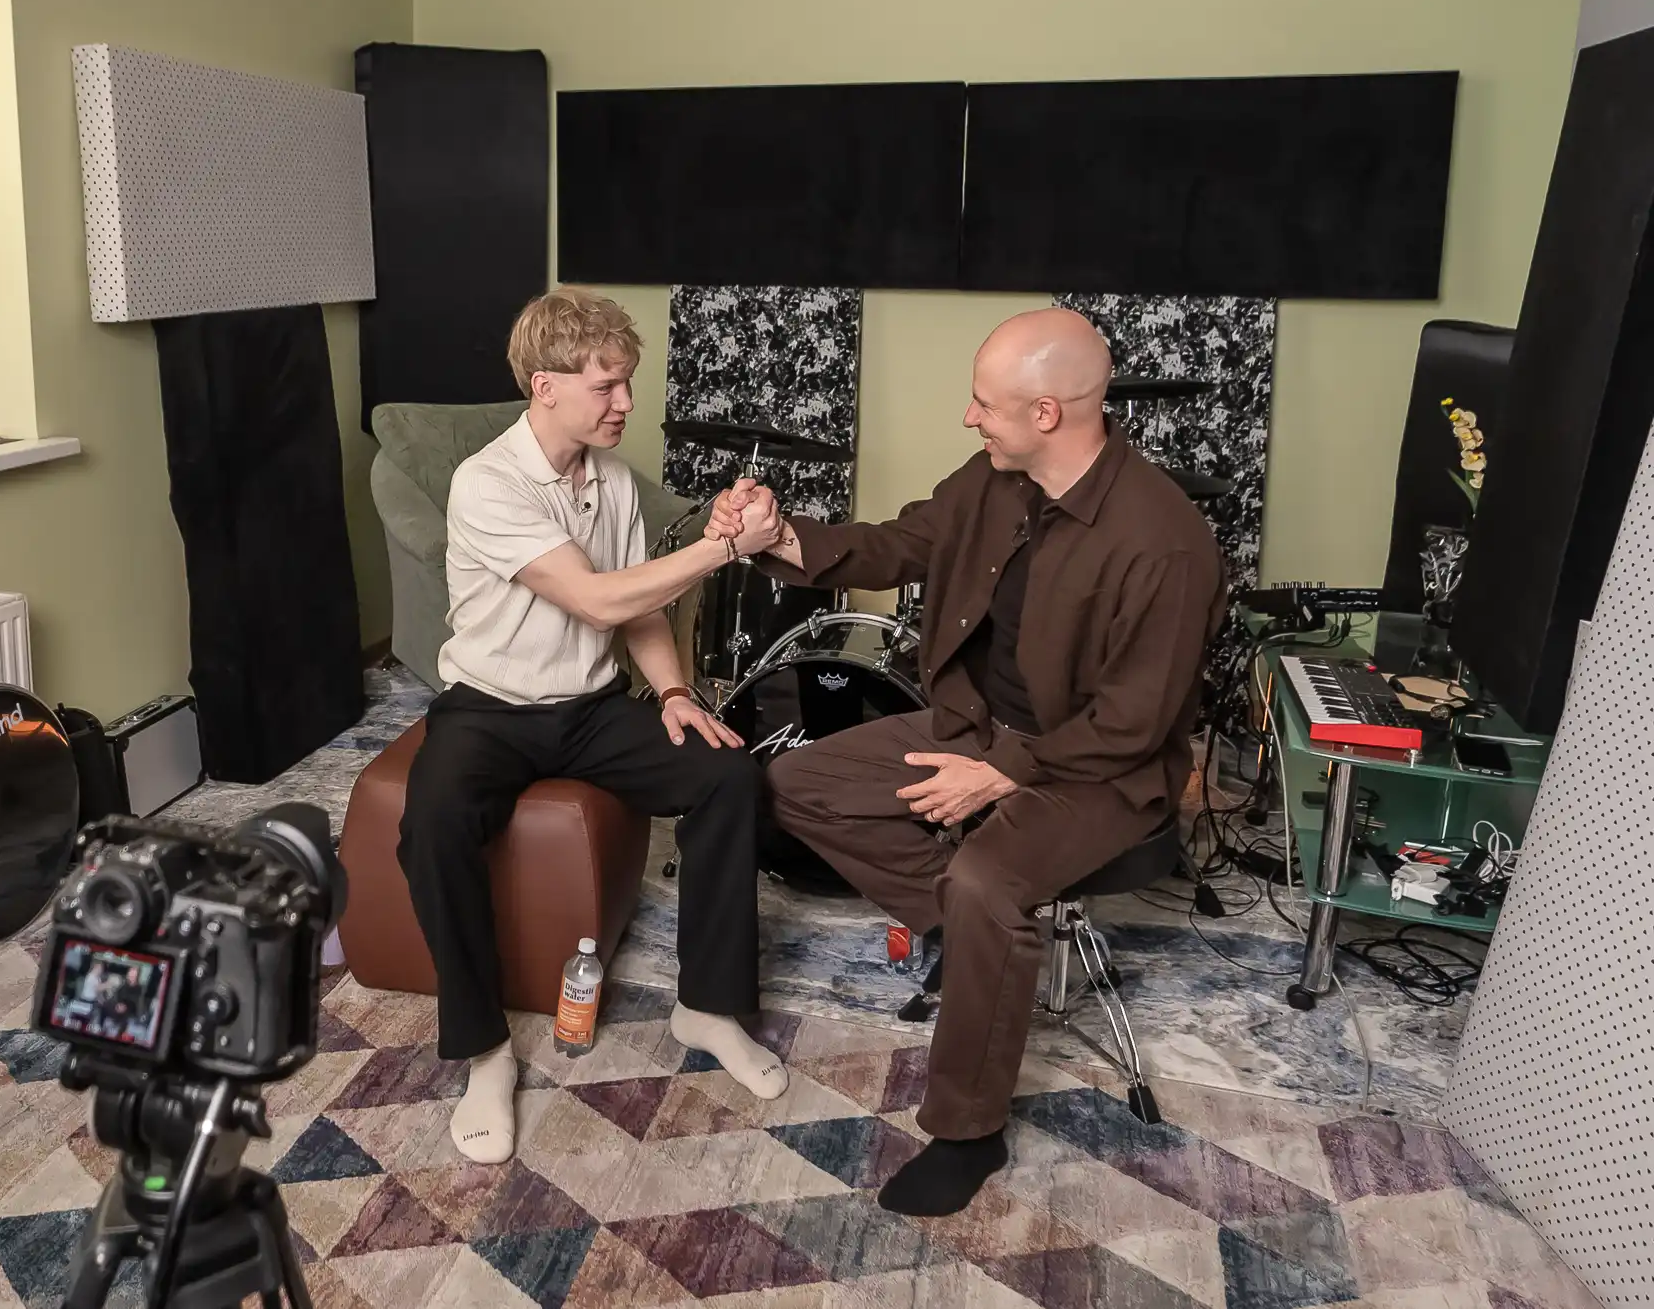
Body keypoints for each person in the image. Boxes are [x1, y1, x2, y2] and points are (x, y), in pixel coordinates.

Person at [705, 307, 1226, 1216]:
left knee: (986, 881)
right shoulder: (995, 477)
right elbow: (904, 540)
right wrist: (778, 537)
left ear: (1048, 413)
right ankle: (981, 941)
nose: (969, 416)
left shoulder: (1166, 541)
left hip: (1098, 769)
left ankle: (968, 1130)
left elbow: (1134, 722)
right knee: (793, 783)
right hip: (976, 725)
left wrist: (1005, 772)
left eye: (985, 402)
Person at [397, 286, 791, 1168]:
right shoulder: (489, 482)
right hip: (489, 708)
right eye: (607, 384)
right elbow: (596, 597)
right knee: (431, 824)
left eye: (627, 382)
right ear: (545, 386)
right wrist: (724, 546)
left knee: (727, 776)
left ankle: (707, 1006)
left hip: (590, 706)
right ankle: (484, 1050)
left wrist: (676, 691)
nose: (626, 402)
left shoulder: (610, 479)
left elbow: (637, 607)